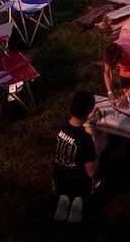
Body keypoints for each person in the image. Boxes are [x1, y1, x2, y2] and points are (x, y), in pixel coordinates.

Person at [52, 90, 98, 223]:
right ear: (88, 112)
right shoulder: (85, 139)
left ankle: (63, 200)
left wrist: (89, 116)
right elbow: (90, 172)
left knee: (64, 191)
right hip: (78, 182)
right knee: (84, 185)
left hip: (59, 176)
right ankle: (77, 204)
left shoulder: (61, 124)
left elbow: (76, 121)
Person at [103, 38, 130, 103]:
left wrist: (127, 95)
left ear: (122, 56)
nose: (114, 67)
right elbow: (106, 73)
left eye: (115, 64)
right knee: (127, 93)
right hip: (125, 64)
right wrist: (110, 93)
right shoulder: (108, 55)